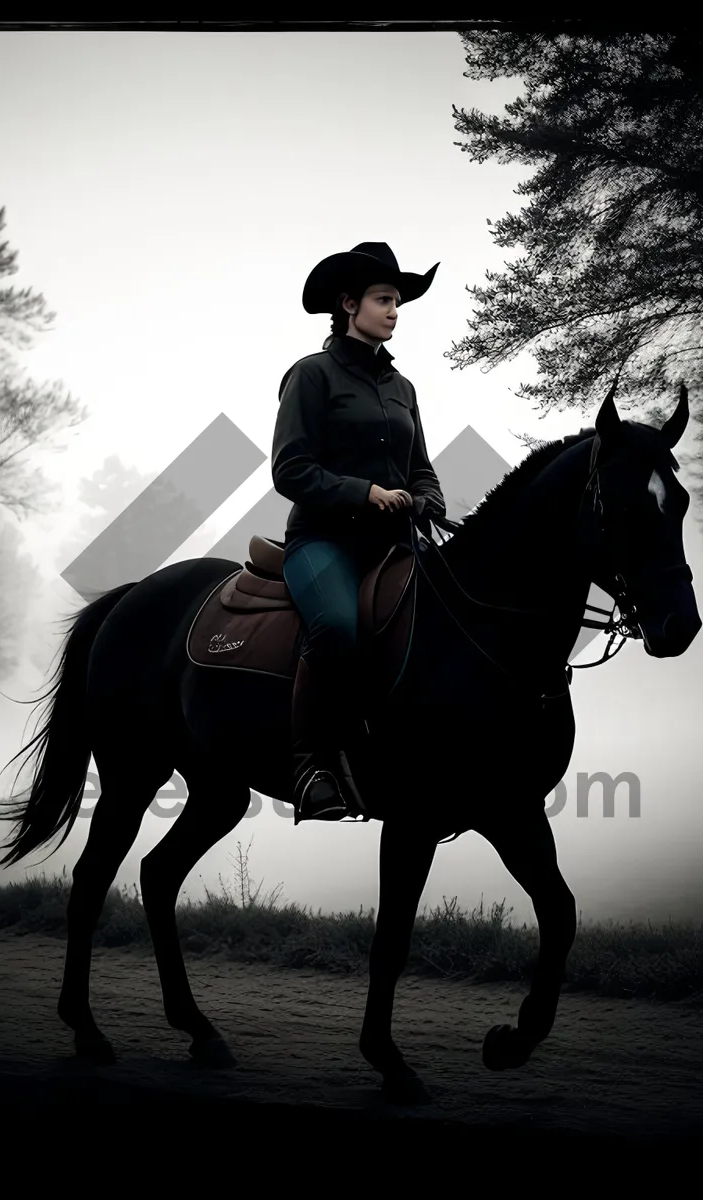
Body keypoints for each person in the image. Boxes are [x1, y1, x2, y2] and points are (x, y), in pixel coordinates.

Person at [271, 241, 449, 822]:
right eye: (384, 299)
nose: (395, 310)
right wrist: (364, 492)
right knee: (337, 625)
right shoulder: (311, 376)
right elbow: (290, 470)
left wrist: (427, 500)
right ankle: (312, 765)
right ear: (349, 305)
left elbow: (421, 467)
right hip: (323, 542)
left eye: (398, 301)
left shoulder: (405, 389)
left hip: (397, 545)